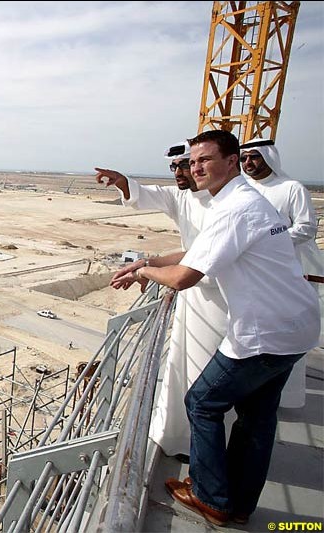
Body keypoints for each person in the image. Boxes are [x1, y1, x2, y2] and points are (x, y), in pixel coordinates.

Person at [121, 130, 319, 526]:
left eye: (205, 160)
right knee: (257, 418)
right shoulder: (241, 201)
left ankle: (210, 496)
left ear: (232, 161)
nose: (195, 168)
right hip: (297, 326)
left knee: (202, 402)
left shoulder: (235, 208)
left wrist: (144, 270)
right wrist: (151, 262)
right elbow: (198, 250)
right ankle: (239, 504)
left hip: (266, 333)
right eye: (192, 161)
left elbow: (182, 278)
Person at [96, 141, 230, 459]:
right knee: (184, 371)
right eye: (176, 167)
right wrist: (123, 182)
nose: (181, 173)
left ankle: (205, 459)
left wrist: (146, 270)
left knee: (209, 383)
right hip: (193, 299)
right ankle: (181, 442)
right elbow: (147, 196)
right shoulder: (182, 196)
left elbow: (195, 266)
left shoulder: (227, 205)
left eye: (187, 165)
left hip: (221, 302)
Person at [239, 137, 324, 408]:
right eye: (243, 158)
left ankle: (283, 399)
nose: (248, 163)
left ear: (269, 157)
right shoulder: (242, 190)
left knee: (286, 338)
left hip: (289, 274)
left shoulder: (291, 188)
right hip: (254, 276)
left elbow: (306, 228)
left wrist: (268, 241)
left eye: (254, 157)